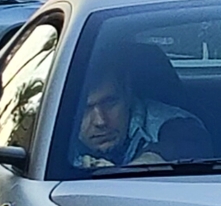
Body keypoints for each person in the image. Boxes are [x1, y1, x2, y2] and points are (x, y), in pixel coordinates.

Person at [68, 49, 212, 172]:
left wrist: (132, 169)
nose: (100, 121)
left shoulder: (176, 125)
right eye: (85, 109)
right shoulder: (52, 129)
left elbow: (186, 144)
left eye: (110, 102)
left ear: (128, 91)